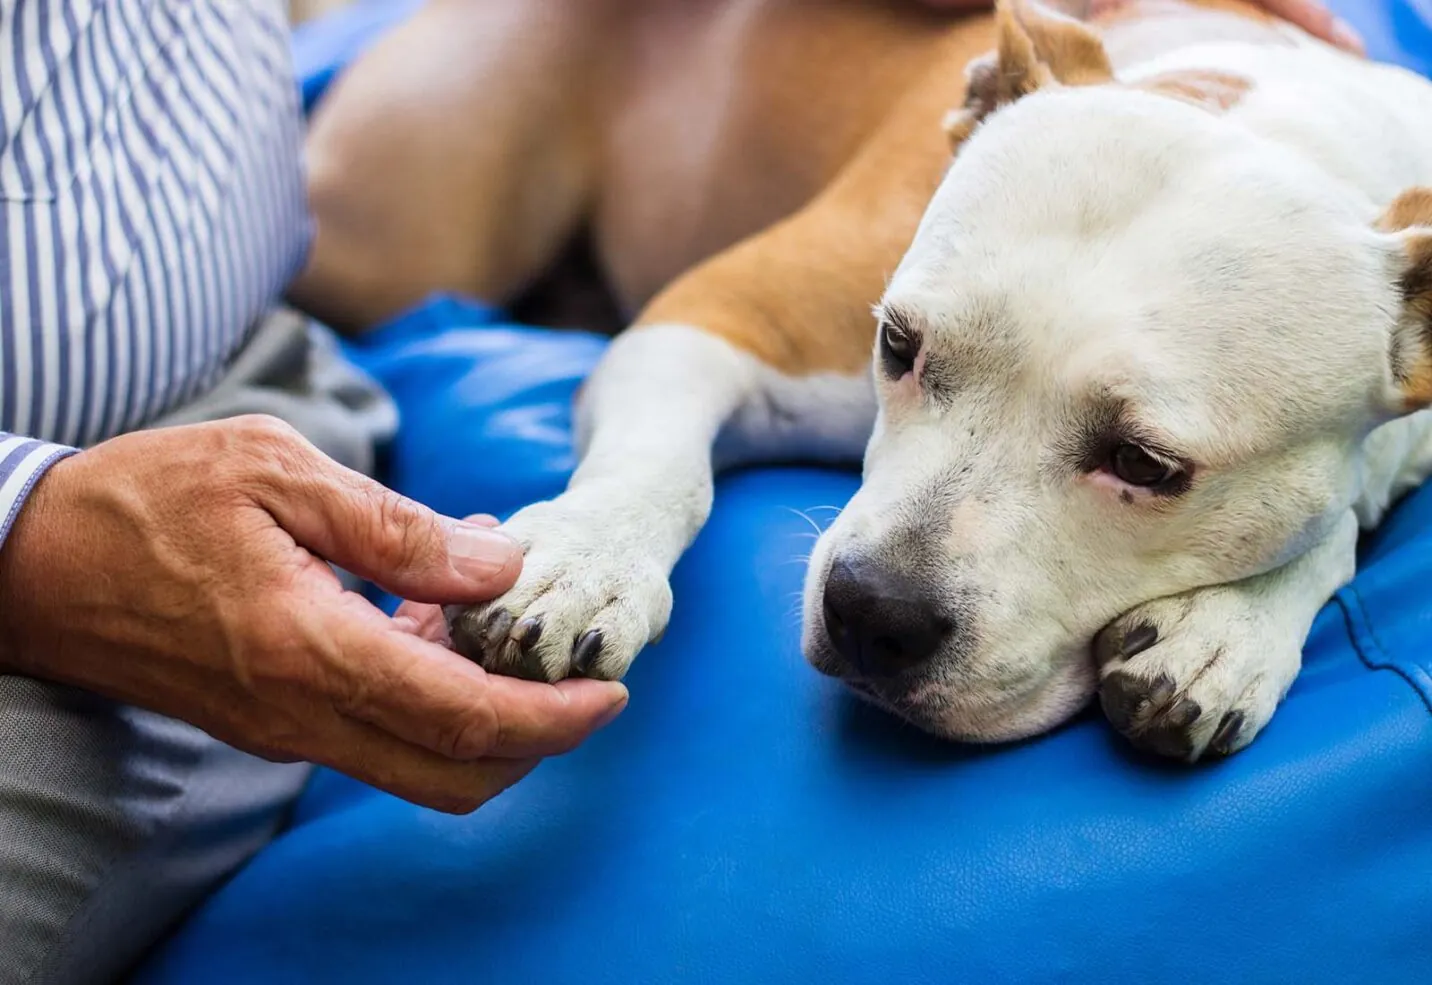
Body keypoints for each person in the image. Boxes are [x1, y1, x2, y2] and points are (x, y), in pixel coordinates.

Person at [0, 1, 1361, 983]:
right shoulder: (1034, 178)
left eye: (1140, 464)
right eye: (908, 355)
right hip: (581, 59)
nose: (883, 582)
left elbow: (1344, 450)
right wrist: (622, 519)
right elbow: (706, 337)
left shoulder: (1343, 312)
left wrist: (1297, 576)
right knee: (369, 249)